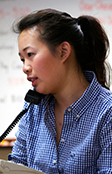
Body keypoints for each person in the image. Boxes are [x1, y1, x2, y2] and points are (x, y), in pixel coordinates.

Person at [8, 9, 112, 173]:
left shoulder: (107, 112)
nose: (25, 68)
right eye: (22, 59)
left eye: (30, 54)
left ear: (63, 51)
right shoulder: (32, 109)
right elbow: (15, 167)